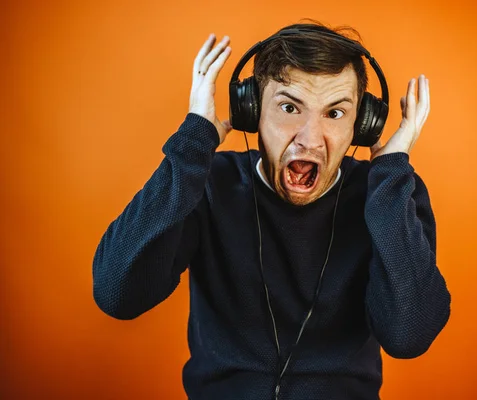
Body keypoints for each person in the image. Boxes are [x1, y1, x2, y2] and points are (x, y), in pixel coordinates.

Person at [92, 21, 451, 400]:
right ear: (252, 112)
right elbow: (118, 294)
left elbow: (408, 337)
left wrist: (391, 176)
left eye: (335, 114)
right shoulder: (208, 183)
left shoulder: (387, 196)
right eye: (288, 107)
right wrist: (194, 141)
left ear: (362, 126)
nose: (310, 138)